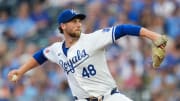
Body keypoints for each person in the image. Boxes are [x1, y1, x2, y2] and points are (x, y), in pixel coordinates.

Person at [8, 9, 166, 101]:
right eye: (73, 21)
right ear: (63, 26)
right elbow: (41, 55)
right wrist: (20, 71)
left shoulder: (92, 39)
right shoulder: (56, 49)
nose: (78, 24)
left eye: (79, 21)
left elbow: (122, 29)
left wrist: (153, 36)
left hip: (109, 97)